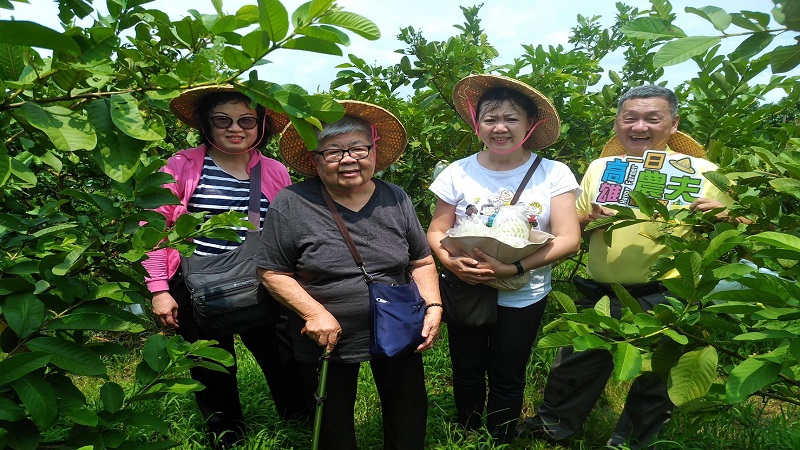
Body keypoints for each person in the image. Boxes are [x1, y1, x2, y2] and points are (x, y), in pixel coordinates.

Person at [529, 85, 740, 449]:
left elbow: (745, 229)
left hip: (670, 294)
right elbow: (572, 224)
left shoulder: (707, 172)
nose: (639, 126)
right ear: (617, 123)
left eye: (652, 118)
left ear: (673, 124)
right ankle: (552, 430)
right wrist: (588, 216)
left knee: (657, 377)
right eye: (630, 118)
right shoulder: (600, 168)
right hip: (602, 292)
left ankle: (632, 443)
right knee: (576, 365)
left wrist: (727, 216)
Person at [257, 100, 442, 450]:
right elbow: (272, 270)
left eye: (358, 148)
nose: (348, 159)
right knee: (332, 425)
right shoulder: (292, 203)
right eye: (333, 152)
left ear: (372, 152)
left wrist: (433, 306)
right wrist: (314, 313)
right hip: (327, 336)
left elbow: (420, 260)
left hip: (398, 323)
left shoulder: (395, 198)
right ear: (315, 160)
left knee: (408, 415)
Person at [143, 85, 307, 447]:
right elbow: (153, 230)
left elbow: (288, 228)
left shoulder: (274, 170)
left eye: (246, 120)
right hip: (197, 282)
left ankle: (300, 425)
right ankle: (227, 436)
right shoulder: (180, 166)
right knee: (212, 366)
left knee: (285, 359)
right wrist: (159, 290)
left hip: (264, 281)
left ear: (260, 126)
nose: (236, 128)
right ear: (207, 124)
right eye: (223, 120)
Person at [426, 74, 582, 443]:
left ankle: (500, 436)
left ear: (530, 125)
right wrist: (451, 262)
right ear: (476, 123)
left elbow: (570, 238)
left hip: (523, 292)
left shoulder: (554, 173)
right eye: (490, 119)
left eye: (511, 119)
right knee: (466, 367)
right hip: (466, 287)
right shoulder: (458, 171)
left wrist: (513, 268)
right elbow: (436, 230)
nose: (500, 128)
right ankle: (465, 433)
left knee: (508, 371)